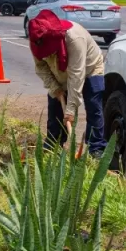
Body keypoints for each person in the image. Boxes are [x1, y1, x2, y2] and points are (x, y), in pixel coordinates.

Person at [28, 12, 105, 156]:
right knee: (55, 106)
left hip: (89, 68)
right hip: (59, 72)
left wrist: (70, 111)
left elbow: (77, 75)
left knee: (93, 105)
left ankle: (96, 148)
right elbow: (41, 68)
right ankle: (53, 144)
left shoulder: (75, 38)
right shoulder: (36, 39)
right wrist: (55, 89)